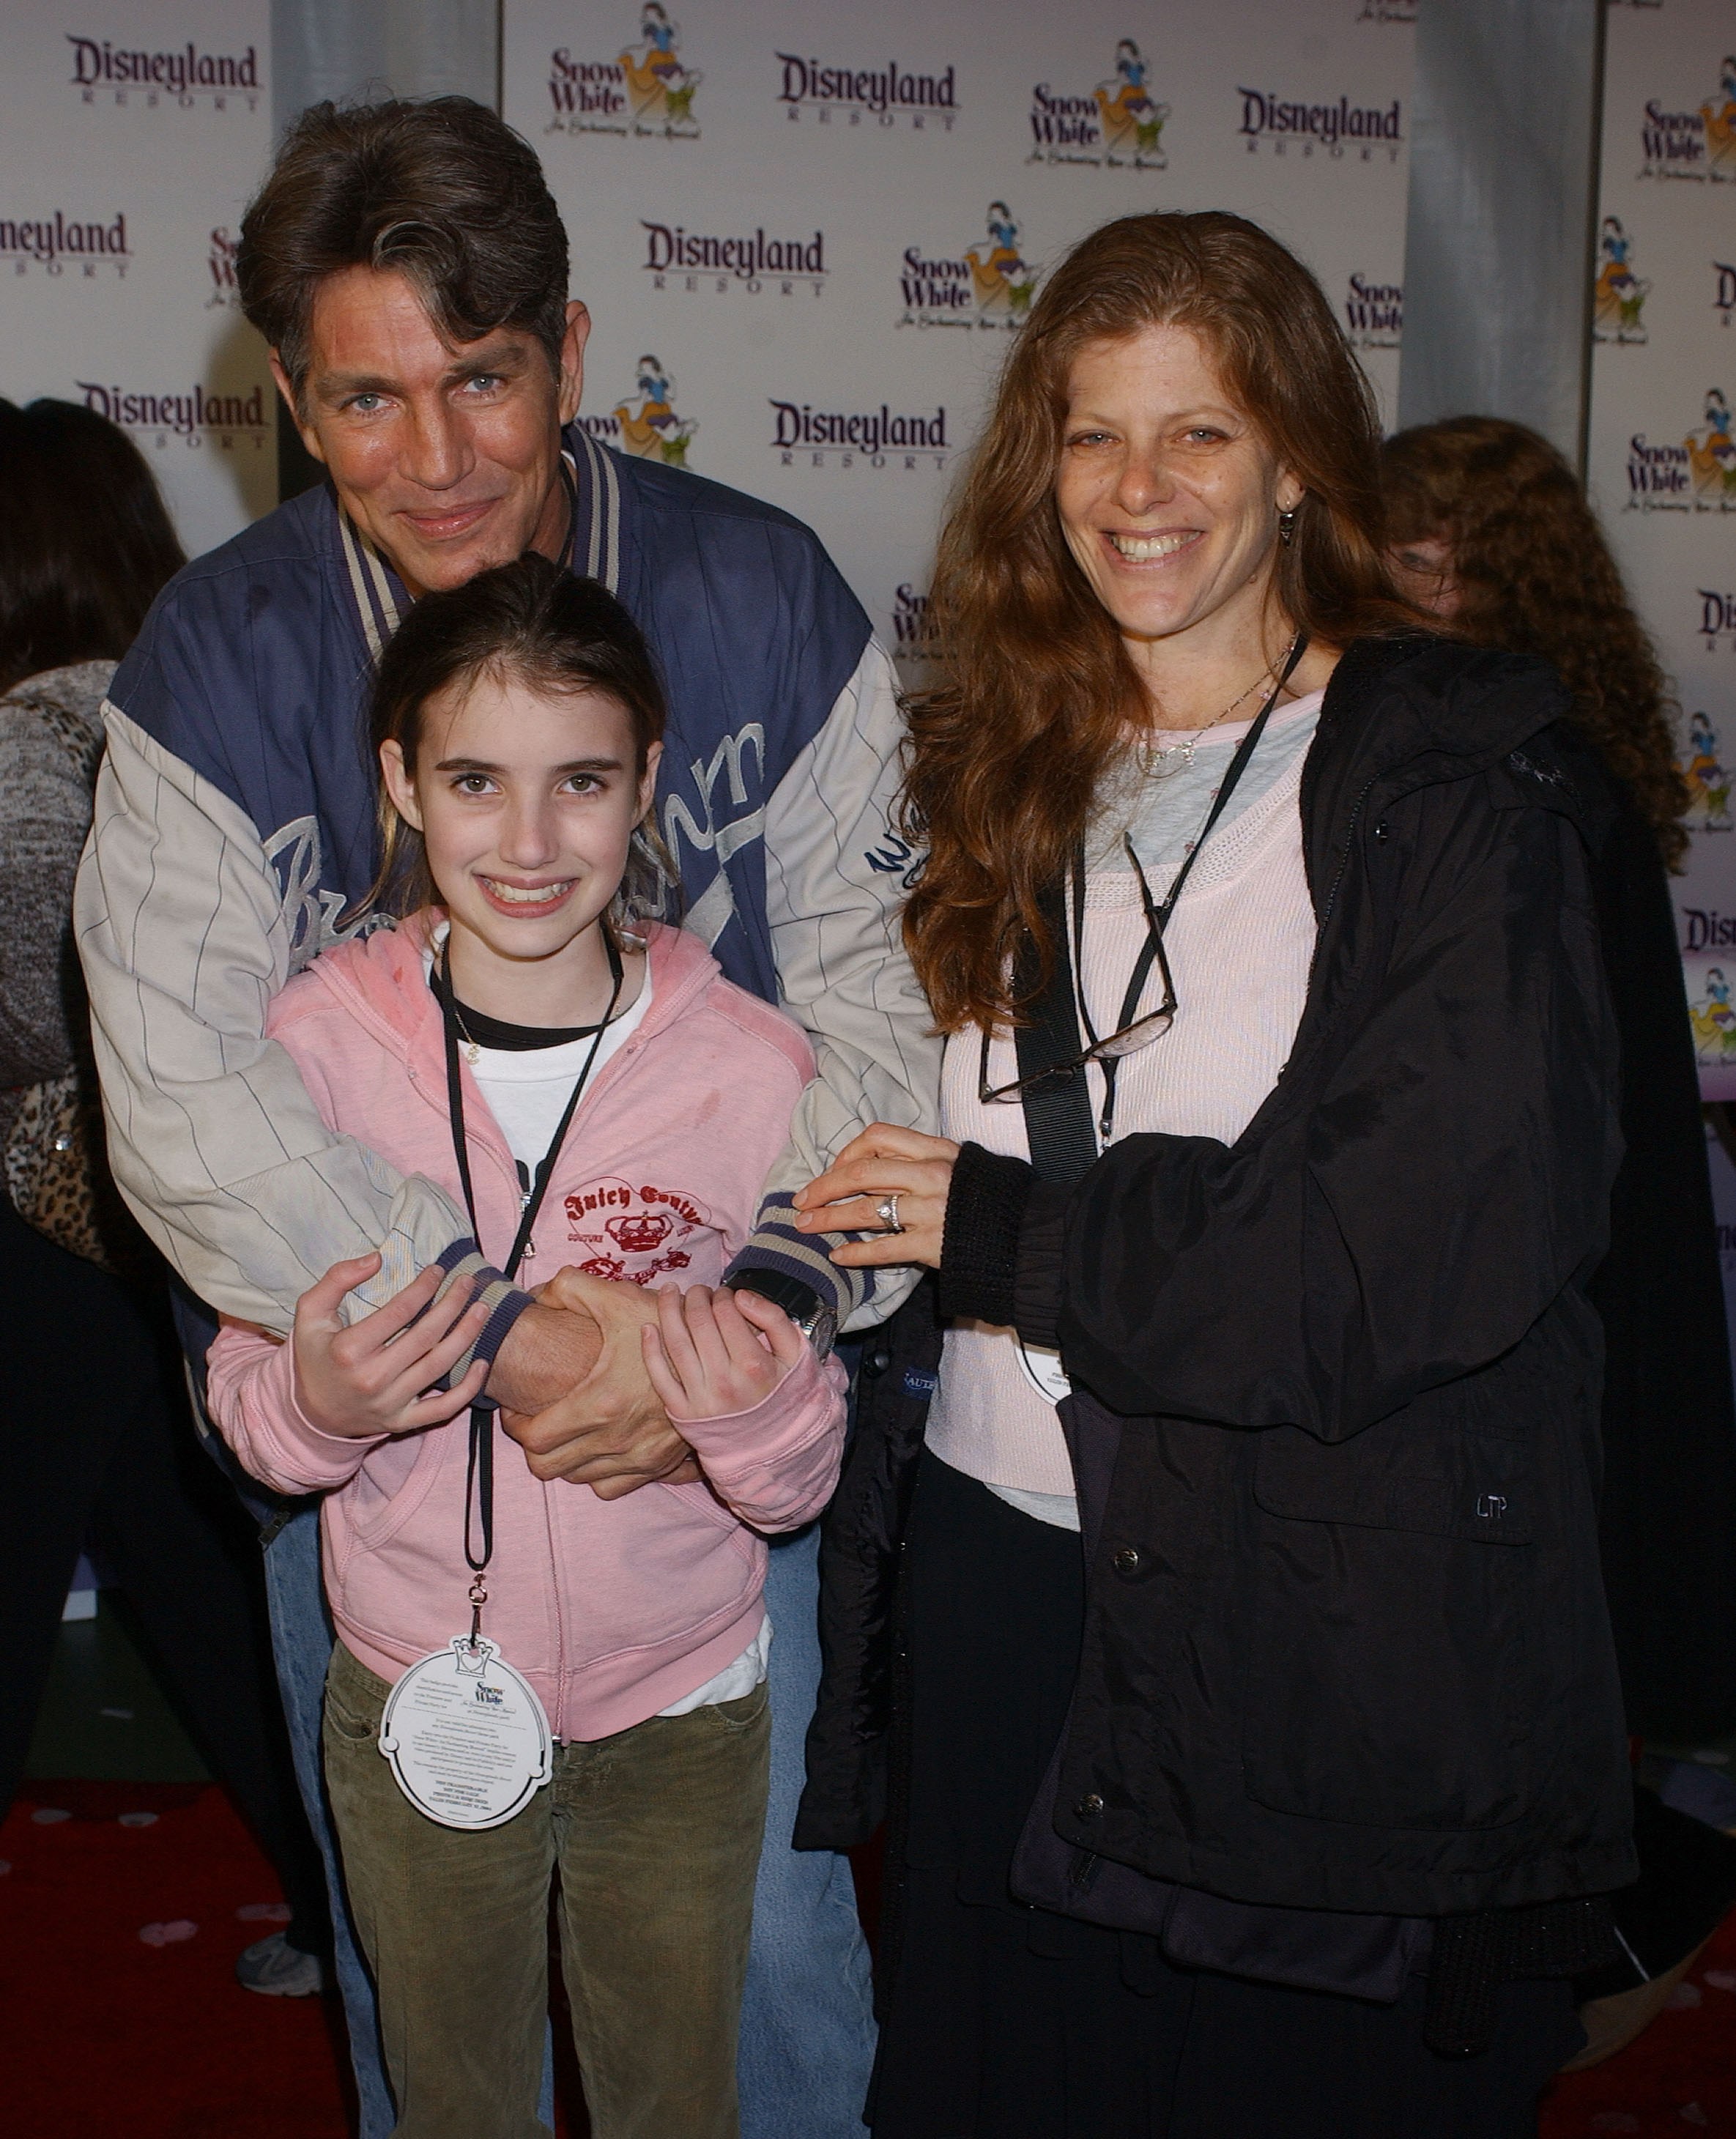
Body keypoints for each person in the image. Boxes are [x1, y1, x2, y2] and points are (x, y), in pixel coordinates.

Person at [76, 97, 932, 2137]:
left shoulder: (770, 596)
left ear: (570, 343)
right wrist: (525, 1340)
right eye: (366, 399)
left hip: (713, 1457)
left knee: (771, 1949)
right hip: (373, 1464)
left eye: (483, 379)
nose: (438, 458)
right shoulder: (215, 659)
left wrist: (746, 1330)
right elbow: (181, 1095)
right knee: (426, 1984)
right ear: (287, 394)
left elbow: (897, 1022)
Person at [791, 211, 1635, 2135]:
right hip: (1003, 1583)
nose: (1139, 489)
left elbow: (1400, 1250)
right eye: (1093, 435)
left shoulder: (1446, 781)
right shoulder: (991, 765)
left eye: (1203, 433)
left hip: (1310, 1609)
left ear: (1296, 465)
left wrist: (1001, 1227)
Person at [207, 557, 846, 2138]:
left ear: (648, 780)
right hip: (417, 1678)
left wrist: (746, 1417)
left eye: (582, 781)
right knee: (455, 2099)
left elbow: (804, 1454)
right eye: (476, 780)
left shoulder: (749, 1062)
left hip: (685, 1698)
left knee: (671, 2104)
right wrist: (318, 1403)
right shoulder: (309, 1051)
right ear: (400, 783)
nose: (532, 838)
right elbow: (249, 1399)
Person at [1381, 412, 1736, 2061]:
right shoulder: (1426, 760)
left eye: (1465, 549)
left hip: (1548, 1318)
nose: (1427, 572)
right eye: (1406, 538)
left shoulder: (1544, 782)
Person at [0, 396, 333, 1995]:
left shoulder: (27, 737)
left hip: (53, 1235)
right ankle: (346, 1914)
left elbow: (38, 1039)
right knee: (207, 1581)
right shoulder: (187, 702)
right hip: (184, 1235)